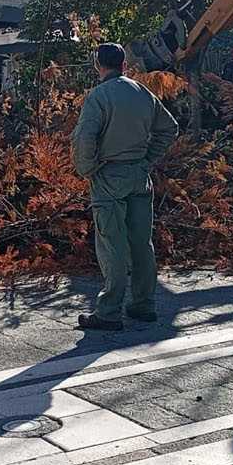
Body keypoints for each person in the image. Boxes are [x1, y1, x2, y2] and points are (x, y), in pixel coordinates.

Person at [71, 43, 179, 330]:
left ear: (98, 65)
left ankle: (109, 311)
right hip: (138, 174)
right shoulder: (142, 92)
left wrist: (87, 168)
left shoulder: (98, 96)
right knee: (142, 242)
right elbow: (169, 128)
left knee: (112, 244)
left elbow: (85, 138)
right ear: (124, 64)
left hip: (108, 175)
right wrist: (147, 160)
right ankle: (144, 304)